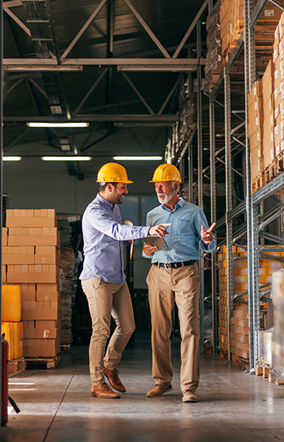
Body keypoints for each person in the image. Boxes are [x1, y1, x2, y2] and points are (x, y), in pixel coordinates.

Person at [80, 162, 171, 399]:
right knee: (100, 330)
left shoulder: (113, 207)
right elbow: (116, 231)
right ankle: (97, 381)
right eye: (122, 187)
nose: (126, 191)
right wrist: (147, 231)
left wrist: (130, 237)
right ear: (109, 187)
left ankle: (109, 365)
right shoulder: (96, 211)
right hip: (97, 277)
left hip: (116, 278)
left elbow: (119, 233)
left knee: (128, 326)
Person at [142, 163, 216, 403]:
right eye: (157, 185)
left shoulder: (194, 212)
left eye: (163, 185)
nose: (159, 189)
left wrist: (207, 239)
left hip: (186, 273)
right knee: (159, 330)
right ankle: (162, 382)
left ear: (176, 186)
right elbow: (147, 250)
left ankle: (189, 387)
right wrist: (146, 249)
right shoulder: (152, 215)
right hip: (158, 272)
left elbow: (208, 245)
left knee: (189, 330)